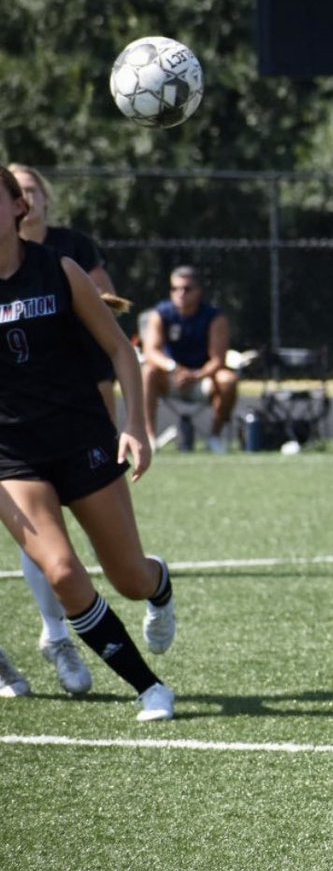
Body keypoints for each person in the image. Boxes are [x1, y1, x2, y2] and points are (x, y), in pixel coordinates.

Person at [0, 164, 176, 721]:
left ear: (18, 207)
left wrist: (136, 426)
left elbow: (122, 350)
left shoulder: (59, 268)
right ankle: (151, 688)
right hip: (13, 456)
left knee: (129, 578)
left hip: (82, 438)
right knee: (62, 572)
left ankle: (159, 584)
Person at [8, 163, 109, 697]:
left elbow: (108, 311)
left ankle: (56, 633)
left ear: (34, 201)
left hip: (64, 404)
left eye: (30, 188)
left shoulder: (66, 252)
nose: (25, 196)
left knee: (52, 541)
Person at [141, 264, 239, 453]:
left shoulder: (214, 317)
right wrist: (173, 368)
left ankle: (215, 437)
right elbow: (151, 351)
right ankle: (150, 438)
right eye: (175, 288)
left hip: (203, 378)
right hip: (171, 376)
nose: (180, 293)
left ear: (199, 291)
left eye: (187, 289)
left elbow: (218, 360)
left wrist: (195, 375)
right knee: (148, 372)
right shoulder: (161, 313)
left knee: (228, 380)